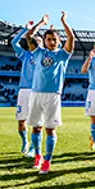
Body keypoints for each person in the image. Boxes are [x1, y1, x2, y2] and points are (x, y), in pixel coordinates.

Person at [26, 11, 75, 174]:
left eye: (54, 39)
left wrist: (64, 23)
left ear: (59, 41)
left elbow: (71, 39)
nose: (52, 41)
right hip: (36, 94)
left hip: (53, 95)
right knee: (36, 128)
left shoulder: (62, 55)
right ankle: (38, 156)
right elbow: (29, 36)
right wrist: (41, 22)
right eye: (48, 39)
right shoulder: (39, 52)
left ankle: (47, 160)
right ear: (45, 41)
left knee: (50, 129)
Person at [11, 21, 42, 157]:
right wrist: (25, 29)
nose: (37, 44)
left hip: (38, 91)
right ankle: (25, 141)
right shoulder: (25, 55)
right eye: (35, 41)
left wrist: (43, 25)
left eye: (40, 42)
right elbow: (14, 43)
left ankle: (34, 149)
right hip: (23, 90)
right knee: (21, 120)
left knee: (37, 122)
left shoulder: (44, 56)